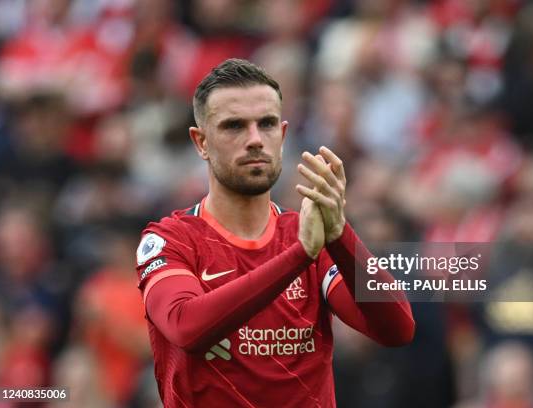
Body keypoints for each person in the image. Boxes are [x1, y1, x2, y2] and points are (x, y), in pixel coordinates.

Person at [135, 58, 415, 407]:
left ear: (282, 135)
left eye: (266, 124)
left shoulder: (312, 236)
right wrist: (299, 255)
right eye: (234, 126)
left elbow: (397, 328)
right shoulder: (171, 240)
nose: (255, 140)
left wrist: (340, 233)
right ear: (201, 142)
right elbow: (185, 326)